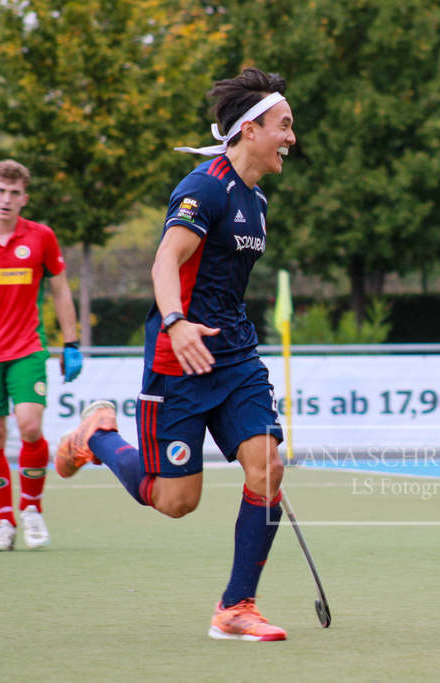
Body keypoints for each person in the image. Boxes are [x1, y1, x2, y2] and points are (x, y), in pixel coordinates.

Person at [54, 67, 296, 641]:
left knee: (269, 464)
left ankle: (236, 607)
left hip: (234, 358)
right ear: (250, 130)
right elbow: (165, 262)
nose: (291, 138)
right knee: (174, 501)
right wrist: (177, 322)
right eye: (283, 127)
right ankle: (98, 437)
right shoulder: (203, 188)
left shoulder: (257, 201)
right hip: (177, 359)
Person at [0, 159, 82, 552]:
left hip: (26, 349)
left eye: (14, 193)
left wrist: (70, 343)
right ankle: (2, 523)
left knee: (30, 427)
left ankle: (31, 509)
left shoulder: (40, 238)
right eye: (0, 191)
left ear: (25, 198)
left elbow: (60, 289)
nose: (6, 199)